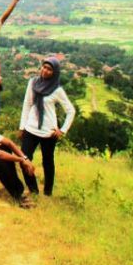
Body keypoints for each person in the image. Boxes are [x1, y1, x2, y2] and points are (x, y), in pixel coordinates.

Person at [18, 57, 76, 196]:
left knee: (48, 162)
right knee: (24, 159)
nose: (45, 70)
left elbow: (71, 110)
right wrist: (22, 127)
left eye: (49, 69)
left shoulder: (57, 90)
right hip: (31, 128)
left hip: (48, 132)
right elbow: (27, 104)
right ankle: (33, 190)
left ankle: (48, 192)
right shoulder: (33, 82)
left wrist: (62, 130)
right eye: (44, 67)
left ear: (54, 72)